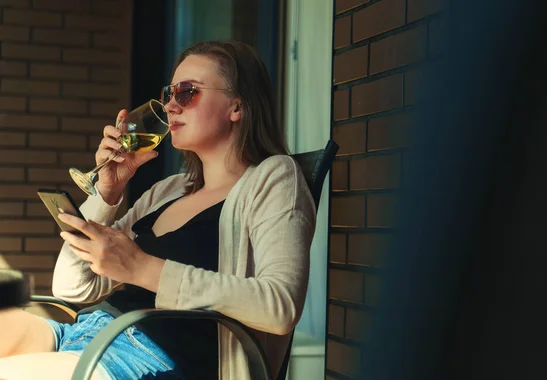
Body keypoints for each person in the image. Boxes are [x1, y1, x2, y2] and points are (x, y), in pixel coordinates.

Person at [0, 40, 316, 380]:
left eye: (187, 93)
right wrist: (107, 193)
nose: (170, 106)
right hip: (88, 332)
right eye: (169, 93)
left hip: (148, 356)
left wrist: (142, 267)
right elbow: (73, 286)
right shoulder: (168, 191)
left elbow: (280, 306)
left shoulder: (274, 177)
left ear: (236, 107)